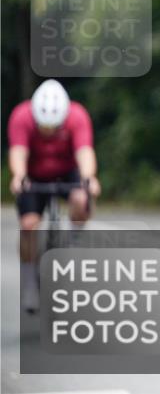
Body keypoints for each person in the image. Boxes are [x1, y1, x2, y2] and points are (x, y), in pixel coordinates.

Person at [8, 79, 100, 313]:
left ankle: (71, 242)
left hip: (66, 172)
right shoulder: (21, 117)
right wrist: (19, 176)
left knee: (81, 198)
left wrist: (89, 178)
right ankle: (29, 279)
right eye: (43, 128)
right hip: (34, 174)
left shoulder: (77, 116)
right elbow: (18, 151)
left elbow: (84, 151)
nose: (48, 132)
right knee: (28, 225)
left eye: (53, 128)